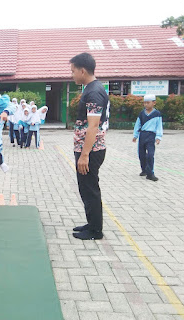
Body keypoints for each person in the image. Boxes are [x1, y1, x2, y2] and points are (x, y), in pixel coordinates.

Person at [70, 52, 110, 241]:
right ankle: (92, 223)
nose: (72, 75)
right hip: (86, 149)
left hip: (91, 151)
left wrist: (85, 155)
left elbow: (93, 126)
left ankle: (95, 231)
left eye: (73, 71)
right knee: (85, 188)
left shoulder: (94, 91)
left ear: (82, 70)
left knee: (90, 189)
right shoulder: (91, 88)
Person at [133, 94, 163, 181]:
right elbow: (137, 124)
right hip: (142, 135)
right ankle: (144, 170)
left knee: (150, 155)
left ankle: (150, 173)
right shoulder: (142, 113)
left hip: (151, 136)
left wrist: (158, 137)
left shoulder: (157, 114)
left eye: (148, 103)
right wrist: (135, 135)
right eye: (144, 103)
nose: (146, 105)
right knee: (141, 154)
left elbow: (159, 126)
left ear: (154, 103)